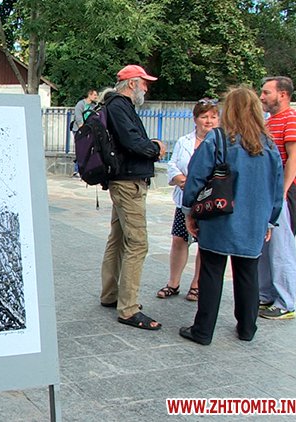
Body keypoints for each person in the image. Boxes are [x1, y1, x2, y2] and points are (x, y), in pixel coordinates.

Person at [179, 86, 283, 345]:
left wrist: (189, 210)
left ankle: (203, 331)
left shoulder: (218, 139)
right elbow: (276, 188)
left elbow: (196, 176)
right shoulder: (268, 144)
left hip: (220, 216)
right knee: (248, 273)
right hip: (254, 220)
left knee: (211, 272)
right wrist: (271, 220)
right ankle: (247, 328)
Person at [99, 64, 166, 330]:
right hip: (128, 184)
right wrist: (155, 148)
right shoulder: (119, 106)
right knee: (138, 244)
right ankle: (128, 309)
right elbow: (132, 143)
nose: (146, 89)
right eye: (144, 83)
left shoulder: (117, 105)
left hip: (123, 181)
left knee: (117, 239)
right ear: (132, 84)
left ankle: (110, 294)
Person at [156, 99, 219, 301]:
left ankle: (197, 284)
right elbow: (173, 164)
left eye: (213, 117)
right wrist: (182, 180)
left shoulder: (222, 142)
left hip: (209, 201)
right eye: (204, 116)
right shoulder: (184, 141)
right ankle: (173, 283)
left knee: (205, 243)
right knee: (179, 239)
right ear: (195, 119)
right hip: (185, 200)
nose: (209, 121)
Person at [257, 76, 296, 320]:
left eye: (267, 92)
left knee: (281, 247)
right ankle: (266, 295)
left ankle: (286, 303)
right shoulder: (270, 121)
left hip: (282, 190)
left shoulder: (292, 118)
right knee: (266, 246)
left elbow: (293, 159)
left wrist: (282, 192)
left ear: (283, 95)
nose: (262, 97)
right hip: (269, 190)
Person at [71, 89, 99, 176]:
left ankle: (85, 170)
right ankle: (77, 170)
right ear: (89, 95)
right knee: (80, 149)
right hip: (79, 130)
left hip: (88, 129)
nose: (96, 97)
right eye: (94, 95)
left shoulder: (93, 105)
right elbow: (78, 117)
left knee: (87, 150)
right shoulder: (81, 104)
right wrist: (82, 128)